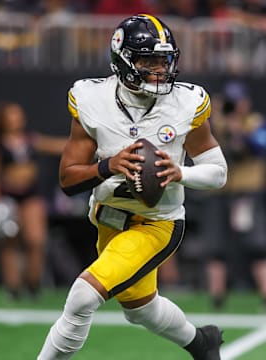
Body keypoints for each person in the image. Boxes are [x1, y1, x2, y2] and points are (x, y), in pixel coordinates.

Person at [37, 14, 228, 359]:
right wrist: (108, 166)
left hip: (158, 222)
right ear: (122, 60)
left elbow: (218, 172)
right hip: (109, 218)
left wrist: (180, 172)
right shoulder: (92, 99)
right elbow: (68, 179)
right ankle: (203, 344)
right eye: (148, 60)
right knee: (140, 308)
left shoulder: (186, 103)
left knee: (82, 296)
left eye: (164, 60)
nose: (159, 69)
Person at [0, 101, 66, 299]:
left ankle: (33, 283)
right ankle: (13, 287)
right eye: (11, 115)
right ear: (2, 120)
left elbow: (57, 146)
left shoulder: (30, 140)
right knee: (9, 244)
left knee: (36, 240)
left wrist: (85, 142)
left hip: (31, 196)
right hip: (8, 198)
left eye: (18, 114)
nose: (17, 118)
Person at [204, 80, 266, 309]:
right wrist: (219, 119)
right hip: (220, 192)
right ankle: (217, 298)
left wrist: (237, 129)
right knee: (216, 246)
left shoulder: (255, 123)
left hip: (246, 193)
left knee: (256, 245)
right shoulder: (216, 125)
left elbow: (256, 147)